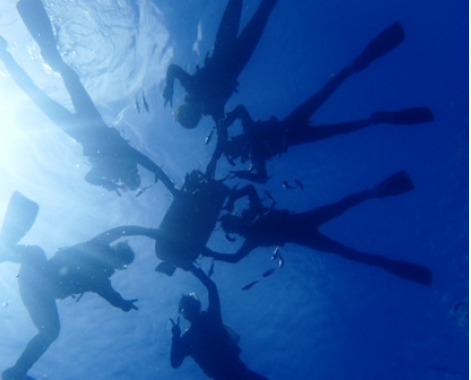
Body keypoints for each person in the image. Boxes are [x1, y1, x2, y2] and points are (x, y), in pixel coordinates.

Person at [0, 2, 177, 195]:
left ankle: (18, 51)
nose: (127, 177)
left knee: (59, 80)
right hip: (83, 124)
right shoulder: (126, 155)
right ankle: (12, 52)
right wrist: (170, 188)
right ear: (129, 174)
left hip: (83, 125)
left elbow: (98, 176)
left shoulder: (116, 163)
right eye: (129, 179)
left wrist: (108, 182)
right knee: (45, 88)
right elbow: (150, 166)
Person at [213, 22, 434, 182]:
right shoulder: (253, 144)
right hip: (296, 129)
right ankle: (361, 84)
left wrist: (243, 170)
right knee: (328, 103)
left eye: (235, 152)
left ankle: (373, 112)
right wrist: (227, 125)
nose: (240, 153)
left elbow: (261, 176)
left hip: (296, 130)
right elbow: (241, 111)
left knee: (332, 116)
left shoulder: (253, 146)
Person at [0, 192, 139, 380]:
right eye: (121, 252)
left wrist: (123, 303)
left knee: (51, 331)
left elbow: (111, 295)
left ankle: (16, 372)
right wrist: (146, 232)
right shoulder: (97, 246)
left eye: (122, 259)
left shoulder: (101, 279)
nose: (116, 257)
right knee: (36, 253)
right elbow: (118, 231)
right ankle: (2, 250)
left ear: (120, 266)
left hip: (40, 294)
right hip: (37, 277)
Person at [203, 171, 433, 285]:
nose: (234, 223)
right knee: (348, 252)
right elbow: (234, 258)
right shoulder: (249, 238)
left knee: (341, 205)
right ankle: (388, 264)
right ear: (233, 231)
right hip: (303, 234)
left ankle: (378, 190)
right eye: (231, 226)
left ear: (234, 217)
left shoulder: (254, 214)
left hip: (302, 223)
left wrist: (232, 198)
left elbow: (251, 189)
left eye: (231, 220)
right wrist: (210, 253)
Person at [162, 0, 277, 176]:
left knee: (250, 9)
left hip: (227, 51)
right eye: (195, 117)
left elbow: (173, 69)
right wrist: (214, 160)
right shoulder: (211, 106)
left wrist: (169, 87)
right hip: (233, 56)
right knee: (262, 12)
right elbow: (222, 137)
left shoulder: (197, 92)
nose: (196, 113)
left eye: (191, 115)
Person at [170, 267, 269, 379]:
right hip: (242, 373)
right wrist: (194, 269)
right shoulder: (211, 318)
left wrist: (176, 337)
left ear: (184, 314)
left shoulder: (188, 338)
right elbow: (212, 288)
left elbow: (175, 363)